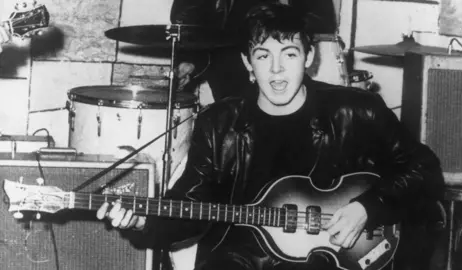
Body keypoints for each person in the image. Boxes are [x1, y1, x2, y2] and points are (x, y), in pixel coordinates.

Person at [97, 3, 444, 270]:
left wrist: (368, 208)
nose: (276, 69)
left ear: (308, 57)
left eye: (289, 54)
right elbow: (189, 207)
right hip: (240, 259)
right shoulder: (220, 124)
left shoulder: (355, 111)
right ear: (248, 63)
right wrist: (144, 221)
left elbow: (424, 170)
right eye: (263, 55)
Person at [171, 0, 337, 102]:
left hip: (288, 53)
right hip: (229, 59)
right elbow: (187, 19)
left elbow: (322, 18)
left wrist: (278, 30)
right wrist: (190, 58)